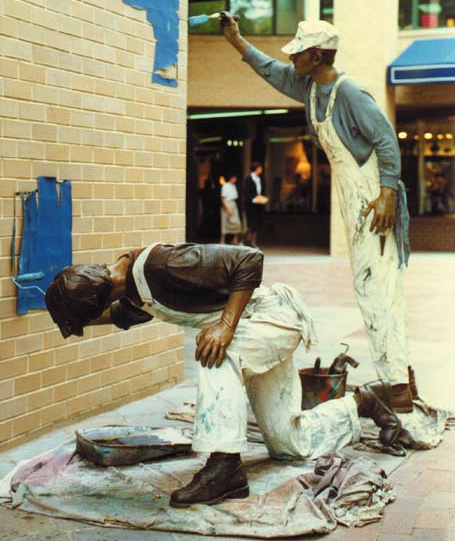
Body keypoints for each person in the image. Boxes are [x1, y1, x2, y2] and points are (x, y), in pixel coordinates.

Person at [45, 242, 412, 508]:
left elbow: (248, 259)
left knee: (214, 352)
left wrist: (224, 325)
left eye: (87, 315)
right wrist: (71, 319)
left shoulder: (159, 265)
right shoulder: (133, 289)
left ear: (100, 296)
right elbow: (121, 315)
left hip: (272, 318)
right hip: (253, 331)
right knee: (288, 444)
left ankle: (224, 467)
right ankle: (366, 402)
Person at [220, 14, 414, 414]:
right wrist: (237, 41)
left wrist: (388, 194)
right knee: (371, 289)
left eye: (299, 52)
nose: (292, 59)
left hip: (374, 199)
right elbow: (271, 70)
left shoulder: (351, 93)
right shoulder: (308, 86)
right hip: (352, 198)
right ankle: (399, 378)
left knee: (379, 290)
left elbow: (386, 141)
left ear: (318, 55)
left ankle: (398, 387)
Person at [243, 161, 266, 248]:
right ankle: (245, 239)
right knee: (250, 224)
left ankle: (253, 241)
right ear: (256, 169)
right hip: (250, 205)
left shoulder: (260, 179)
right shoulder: (248, 179)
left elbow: (261, 191)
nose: (261, 170)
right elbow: (246, 192)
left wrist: (261, 198)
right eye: (260, 168)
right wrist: (253, 199)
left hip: (259, 205)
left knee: (257, 224)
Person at [220, 173, 242, 244]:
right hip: (227, 204)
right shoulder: (225, 186)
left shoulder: (234, 186)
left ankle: (235, 239)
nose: (235, 180)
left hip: (233, 204)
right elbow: (223, 199)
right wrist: (227, 209)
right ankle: (222, 240)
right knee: (225, 222)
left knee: (236, 222)